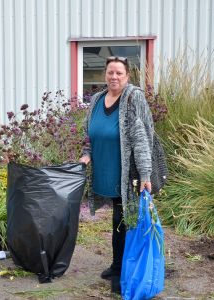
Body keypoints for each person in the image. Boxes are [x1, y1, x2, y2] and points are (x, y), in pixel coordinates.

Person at [79, 56, 154, 294]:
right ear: (105, 75)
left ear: (127, 76)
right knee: (117, 221)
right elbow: (87, 132)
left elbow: (143, 138)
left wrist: (145, 174)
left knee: (124, 221)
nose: (114, 77)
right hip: (105, 170)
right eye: (110, 72)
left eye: (119, 73)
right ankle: (116, 264)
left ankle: (123, 273)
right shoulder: (97, 99)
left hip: (127, 173)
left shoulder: (133, 98)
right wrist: (86, 153)